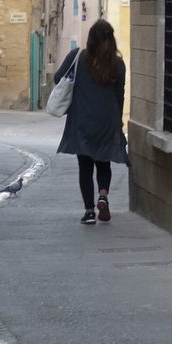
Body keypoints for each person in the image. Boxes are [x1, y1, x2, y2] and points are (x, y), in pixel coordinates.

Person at [54, 18, 128, 225]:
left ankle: (88, 212)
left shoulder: (78, 57)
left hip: (82, 119)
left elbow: (58, 79)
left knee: (85, 166)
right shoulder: (118, 64)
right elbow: (119, 95)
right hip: (107, 121)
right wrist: (118, 122)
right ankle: (103, 195)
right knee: (103, 162)